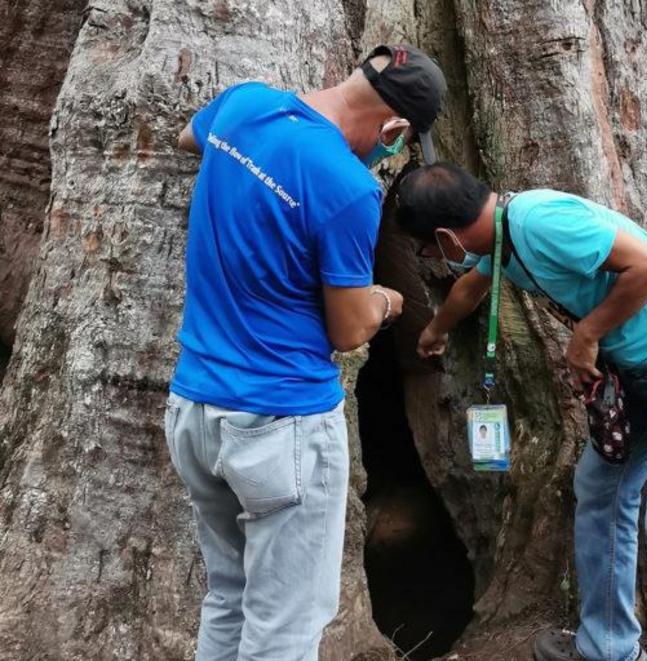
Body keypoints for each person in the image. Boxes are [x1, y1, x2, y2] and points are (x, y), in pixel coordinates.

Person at [395, 163, 647, 661]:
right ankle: (607, 646)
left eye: (429, 250)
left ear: (445, 237)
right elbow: (469, 289)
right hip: (643, 372)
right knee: (601, 489)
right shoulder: (503, 239)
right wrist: (434, 331)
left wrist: (586, 335)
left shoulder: (539, 222)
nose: (435, 259)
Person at [164, 45, 446, 660]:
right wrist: (386, 302)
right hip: (278, 426)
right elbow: (347, 331)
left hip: (194, 410)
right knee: (285, 629)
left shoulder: (245, 105)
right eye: (396, 145)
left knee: (228, 599)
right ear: (395, 130)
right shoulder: (347, 187)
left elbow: (191, 136)